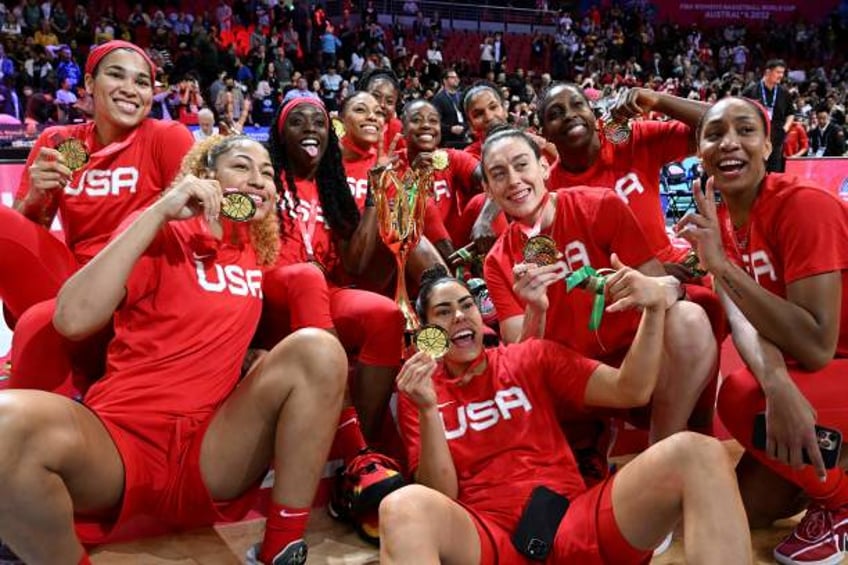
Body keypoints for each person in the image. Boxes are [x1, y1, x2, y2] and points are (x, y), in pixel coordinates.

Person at [0, 134, 346, 565]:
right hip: (120, 438)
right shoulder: (162, 233)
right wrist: (161, 211)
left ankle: (283, 547)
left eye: (268, 173)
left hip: (211, 448)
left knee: (320, 350)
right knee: (4, 425)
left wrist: (257, 357)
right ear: (205, 177)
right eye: (242, 166)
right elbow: (72, 318)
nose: (258, 180)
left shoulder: (259, 252)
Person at [378, 264, 753, 565]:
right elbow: (443, 494)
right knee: (401, 506)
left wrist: (653, 310)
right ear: (427, 331)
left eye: (467, 305)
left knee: (699, 452)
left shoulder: (529, 357)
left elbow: (632, 389)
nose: (460, 316)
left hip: (572, 523)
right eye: (444, 312)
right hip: (489, 539)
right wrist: (428, 409)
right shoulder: (419, 391)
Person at [481, 128, 716, 475]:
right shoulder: (498, 261)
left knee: (689, 320)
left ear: (545, 167)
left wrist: (648, 288)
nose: (514, 180)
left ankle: (659, 459)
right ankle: (584, 445)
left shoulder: (599, 204)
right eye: (499, 174)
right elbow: (521, 359)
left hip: (635, 356)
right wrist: (536, 308)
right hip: (577, 378)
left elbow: (659, 287)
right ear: (488, 189)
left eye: (521, 165)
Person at [677, 96, 848, 565]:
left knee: (736, 395)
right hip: (826, 368)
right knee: (748, 506)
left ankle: (842, 506)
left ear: (768, 144)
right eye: (714, 133)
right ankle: (828, 473)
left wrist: (721, 268)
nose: (729, 141)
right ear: (700, 152)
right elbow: (742, 318)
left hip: (831, 360)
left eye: (745, 130)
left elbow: (814, 345)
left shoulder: (804, 206)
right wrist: (776, 381)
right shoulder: (726, 221)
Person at [0, 40, 194, 392]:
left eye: (142, 82)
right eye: (116, 76)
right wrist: (35, 197)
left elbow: (191, 234)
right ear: (89, 83)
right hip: (76, 285)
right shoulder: (57, 139)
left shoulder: (167, 137)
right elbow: (27, 236)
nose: (130, 90)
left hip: (134, 295)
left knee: (39, 322)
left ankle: (46, 417)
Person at [261, 96, 406, 545]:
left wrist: (377, 197)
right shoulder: (266, 179)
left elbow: (370, 259)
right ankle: (355, 449)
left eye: (318, 122)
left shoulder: (344, 186)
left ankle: (355, 464)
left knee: (385, 315)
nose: (310, 129)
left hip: (328, 291)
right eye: (297, 121)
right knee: (306, 276)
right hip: (274, 295)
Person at [396, 98, 505, 263]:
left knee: (483, 202)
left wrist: (485, 220)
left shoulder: (450, 157)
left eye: (433, 121)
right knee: (421, 200)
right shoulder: (393, 163)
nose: (426, 125)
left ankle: (503, 271)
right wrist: (412, 178)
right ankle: (456, 273)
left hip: (456, 244)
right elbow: (395, 219)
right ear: (403, 129)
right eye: (416, 120)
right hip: (416, 254)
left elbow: (495, 180)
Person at [742, 59, 794, 172]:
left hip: (776, 136)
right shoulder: (751, 91)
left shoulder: (784, 93)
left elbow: (790, 114)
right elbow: (741, 112)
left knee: (775, 170)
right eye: (778, 72)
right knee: (757, 168)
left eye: (782, 73)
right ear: (767, 72)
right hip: (756, 136)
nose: (781, 76)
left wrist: (785, 129)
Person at [430, 69, 468, 149]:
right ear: (445, 80)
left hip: (463, 138)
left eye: (457, 77)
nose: (456, 79)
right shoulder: (438, 99)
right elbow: (434, 121)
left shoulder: (462, 96)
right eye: (452, 77)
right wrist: (450, 129)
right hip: (447, 141)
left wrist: (465, 127)